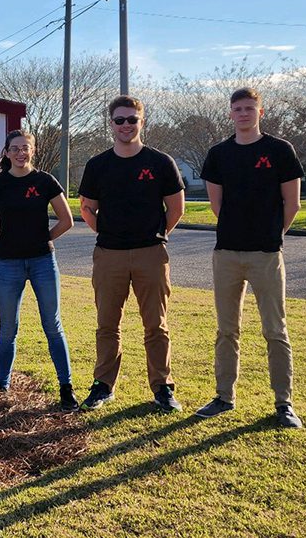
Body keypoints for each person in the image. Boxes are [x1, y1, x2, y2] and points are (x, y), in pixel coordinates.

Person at [195, 87, 304, 428]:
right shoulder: (219, 154)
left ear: (260, 112)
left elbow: (293, 203)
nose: (243, 113)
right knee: (227, 330)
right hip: (227, 253)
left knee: (275, 330)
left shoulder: (279, 151)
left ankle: (283, 404)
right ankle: (224, 396)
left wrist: (272, 235)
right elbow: (218, 206)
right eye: (238, 109)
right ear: (230, 113)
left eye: (249, 108)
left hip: (266, 254)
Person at [77, 95, 185, 413]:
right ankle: (103, 385)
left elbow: (176, 208)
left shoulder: (160, 162)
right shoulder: (98, 165)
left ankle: (162, 387)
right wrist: (108, 233)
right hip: (109, 254)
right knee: (107, 324)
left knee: (156, 325)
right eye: (119, 120)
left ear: (142, 120)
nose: (126, 125)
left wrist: (155, 235)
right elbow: (87, 208)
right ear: (110, 124)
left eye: (132, 119)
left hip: (151, 253)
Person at [0, 129, 79, 412]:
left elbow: (66, 220)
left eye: (25, 148)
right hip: (8, 265)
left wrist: (44, 238)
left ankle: (66, 387)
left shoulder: (45, 181)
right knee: (8, 328)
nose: (21, 153)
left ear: (32, 150)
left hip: (43, 262)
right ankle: (1, 383)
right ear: (7, 153)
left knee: (53, 325)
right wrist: (6, 241)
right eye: (15, 148)